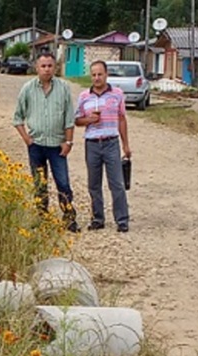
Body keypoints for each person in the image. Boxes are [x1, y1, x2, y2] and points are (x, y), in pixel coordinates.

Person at [12, 53, 79, 233]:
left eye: (50, 66)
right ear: (37, 67)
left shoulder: (64, 88)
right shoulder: (27, 89)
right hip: (37, 145)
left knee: (63, 183)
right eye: (43, 66)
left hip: (57, 146)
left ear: (55, 67)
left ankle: (69, 218)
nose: (47, 69)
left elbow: (69, 118)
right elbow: (17, 118)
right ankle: (42, 217)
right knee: (39, 183)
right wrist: (27, 139)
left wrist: (69, 141)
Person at [75, 59, 131, 233]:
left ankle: (122, 220)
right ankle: (98, 218)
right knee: (94, 184)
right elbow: (77, 120)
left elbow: (122, 119)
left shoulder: (117, 94)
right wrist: (88, 120)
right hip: (92, 143)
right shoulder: (84, 96)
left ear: (106, 74)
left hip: (111, 142)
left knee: (117, 183)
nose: (97, 78)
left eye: (100, 74)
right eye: (93, 75)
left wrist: (126, 144)